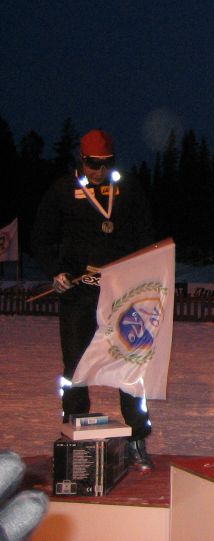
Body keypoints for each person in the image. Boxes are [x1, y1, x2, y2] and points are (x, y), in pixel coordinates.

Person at [31, 129, 157, 472]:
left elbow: (146, 234)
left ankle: (137, 437)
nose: (99, 171)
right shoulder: (62, 190)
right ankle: (74, 432)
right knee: (75, 366)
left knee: (129, 362)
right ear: (81, 159)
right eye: (92, 164)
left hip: (122, 292)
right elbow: (40, 239)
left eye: (106, 163)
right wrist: (55, 271)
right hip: (79, 292)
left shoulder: (128, 188)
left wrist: (145, 272)